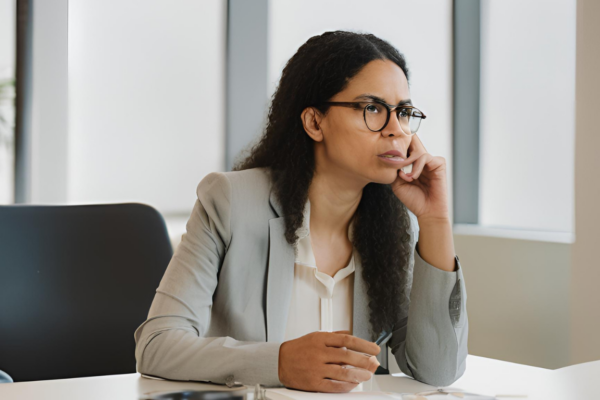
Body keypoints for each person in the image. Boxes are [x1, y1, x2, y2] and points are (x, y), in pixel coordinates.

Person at [134, 30, 468, 393]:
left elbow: (439, 369)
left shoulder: (390, 225)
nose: (395, 131)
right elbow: (157, 345)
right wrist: (277, 362)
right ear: (314, 122)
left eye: (402, 112)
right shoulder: (231, 202)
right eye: (372, 108)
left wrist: (435, 220)